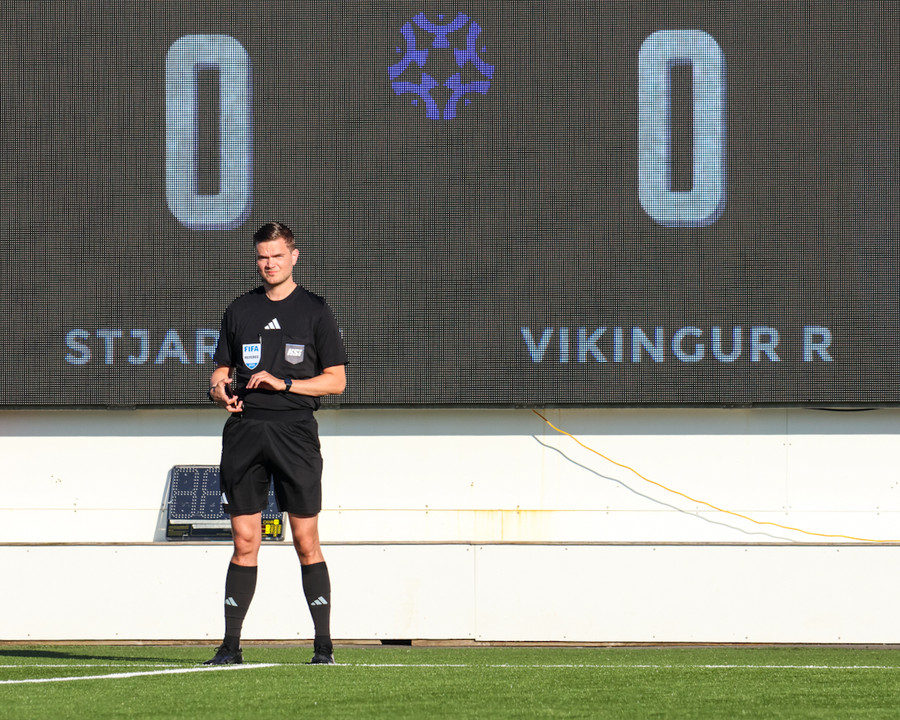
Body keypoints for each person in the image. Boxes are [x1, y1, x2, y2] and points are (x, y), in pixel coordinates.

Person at [204, 221, 348, 666]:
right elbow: (219, 371)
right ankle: (230, 648)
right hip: (245, 432)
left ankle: (323, 647)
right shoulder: (240, 308)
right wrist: (219, 390)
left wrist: (284, 383)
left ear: (294, 257)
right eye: (263, 257)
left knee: (305, 539)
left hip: (294, 432)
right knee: (245, 539)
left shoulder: (315, 310)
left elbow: (336, 381)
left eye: (277, 256)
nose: (269, 264)